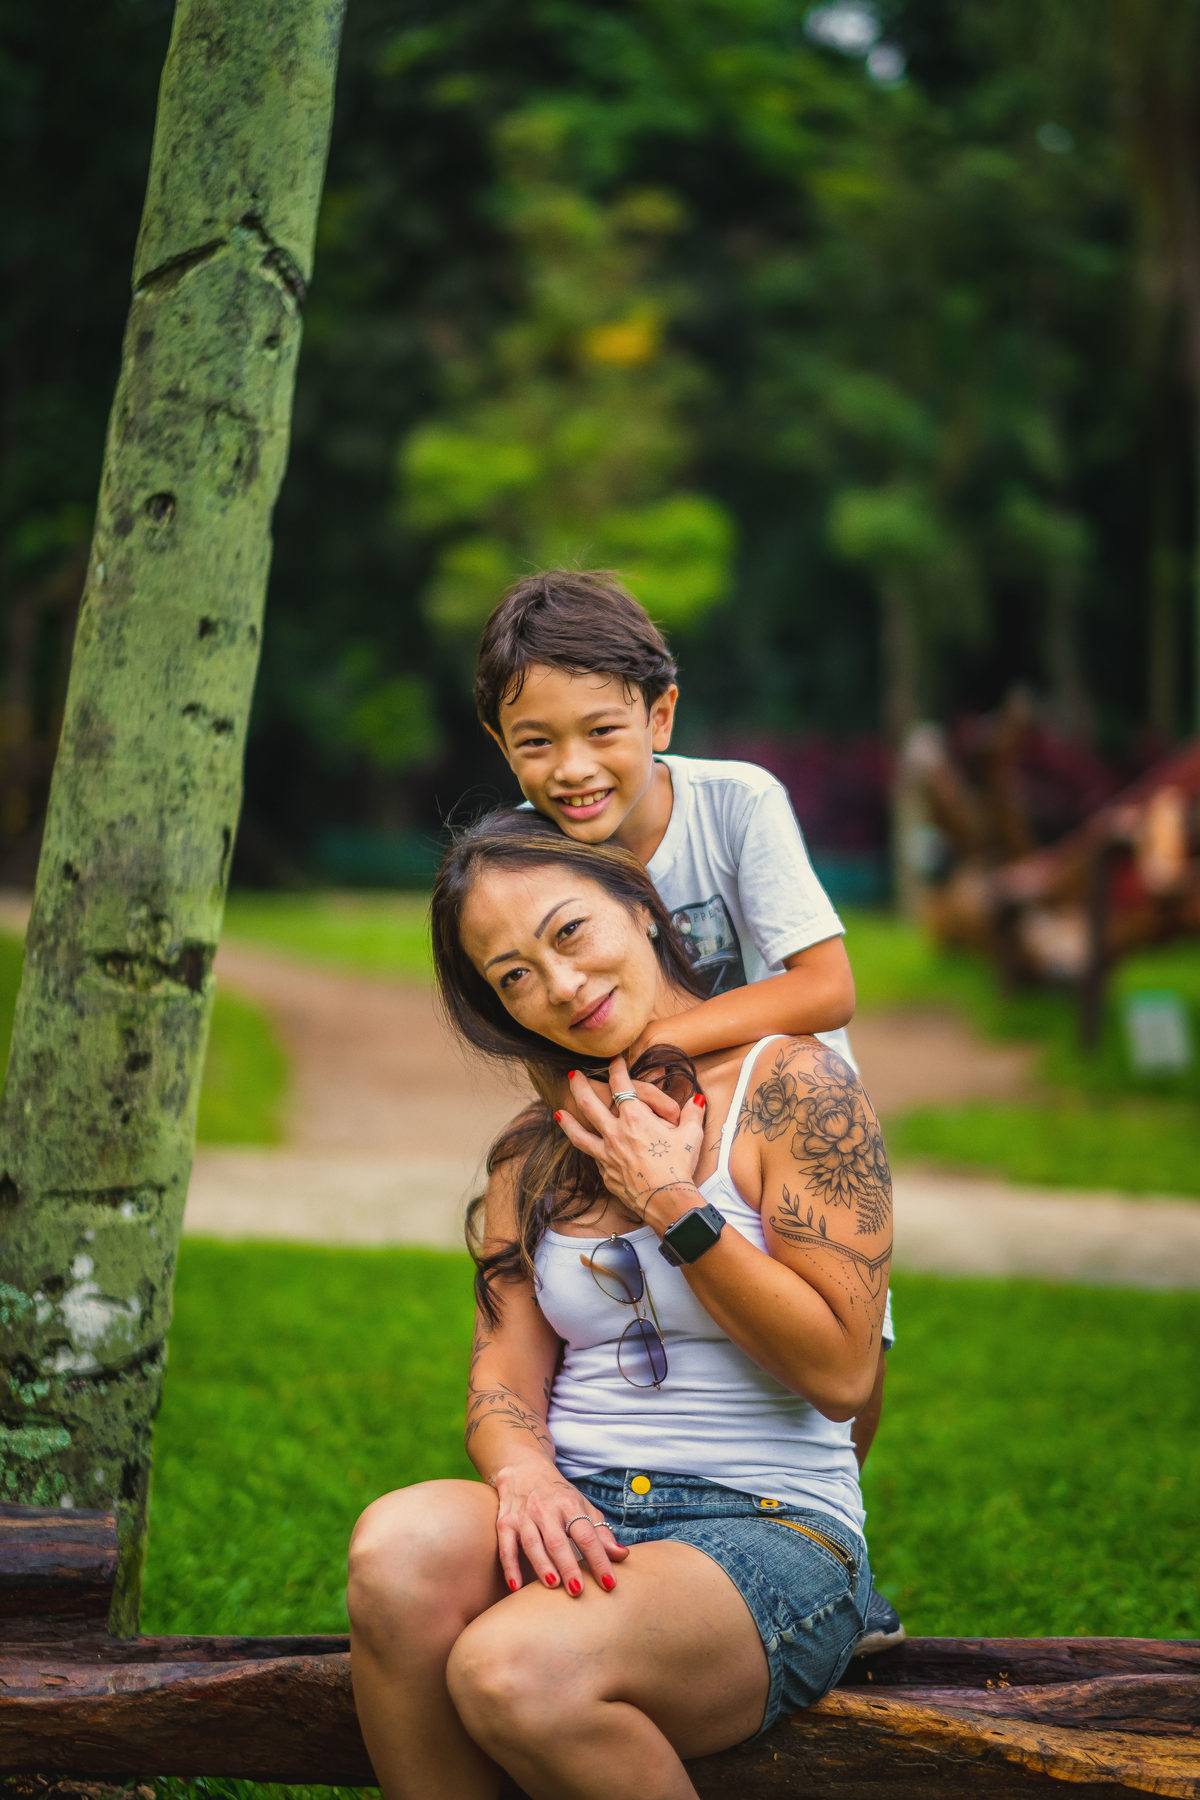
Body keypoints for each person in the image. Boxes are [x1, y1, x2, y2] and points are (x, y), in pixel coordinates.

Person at [348, 818, 893, 1800]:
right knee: (396, 1549)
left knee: (513, 1669)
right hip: (583, 1508)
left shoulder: (796, 1086)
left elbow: (843, 1372)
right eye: (512, 976)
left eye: (568, 934)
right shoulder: (535, 1148)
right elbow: (505, 1376)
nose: (557, 986)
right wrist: (525, 1478)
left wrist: (671, 1204)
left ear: (640, 906)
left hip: (773, 1531)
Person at [472, 569, 900, 1646]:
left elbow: (823, 985)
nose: (571, 770)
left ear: (660, 714)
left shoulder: (734, 802)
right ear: (499, 743)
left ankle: (828, 1564)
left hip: (781, 1128)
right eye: (534, 743)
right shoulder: (534, 849)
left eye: (601, 730)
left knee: (844, 1368)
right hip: (639, 1120)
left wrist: (660, 1052)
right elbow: (543, 1032)